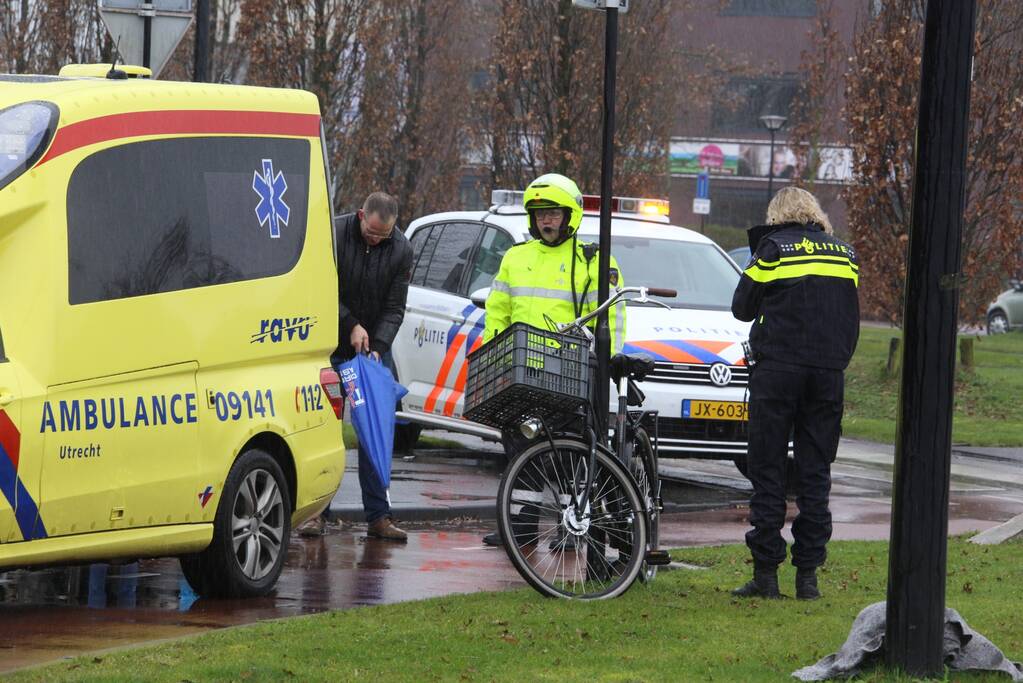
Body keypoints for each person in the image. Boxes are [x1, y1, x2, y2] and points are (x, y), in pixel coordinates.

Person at [480, 173, 626, 546]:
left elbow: (612, 315)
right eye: (540, 213)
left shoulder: (592, 259)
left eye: (554, 213)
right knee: (518, 446)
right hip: (521, 369)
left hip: (568, 372)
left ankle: (570, 527)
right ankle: (522, 528)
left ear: (569, 215)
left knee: (565, 453)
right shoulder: (515, 257)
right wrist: (493, 356)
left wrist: (607, 359)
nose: (546, 220)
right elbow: (498, 312)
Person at [730, 187, 859, 600]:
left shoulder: (773, 249)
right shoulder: (845, 254)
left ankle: (766, 575)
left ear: (776, 214)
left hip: (779, 372)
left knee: (767, 470)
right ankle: (808, 577)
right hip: (827, 374)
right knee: (815, 474)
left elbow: (741, 306)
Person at [298, 192, 413, 541]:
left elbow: (395, 307)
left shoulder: (402, 250)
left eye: (384, 235)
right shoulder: (334, 234)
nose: (376, 239)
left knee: (375, 430)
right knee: (325, 427)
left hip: (372, 352)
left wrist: (378, 346)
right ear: (361, 215)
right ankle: (317, 513)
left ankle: (379, 515)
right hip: (332, 346)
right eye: (372, 232)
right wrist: (350, 325)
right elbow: (320, 289)